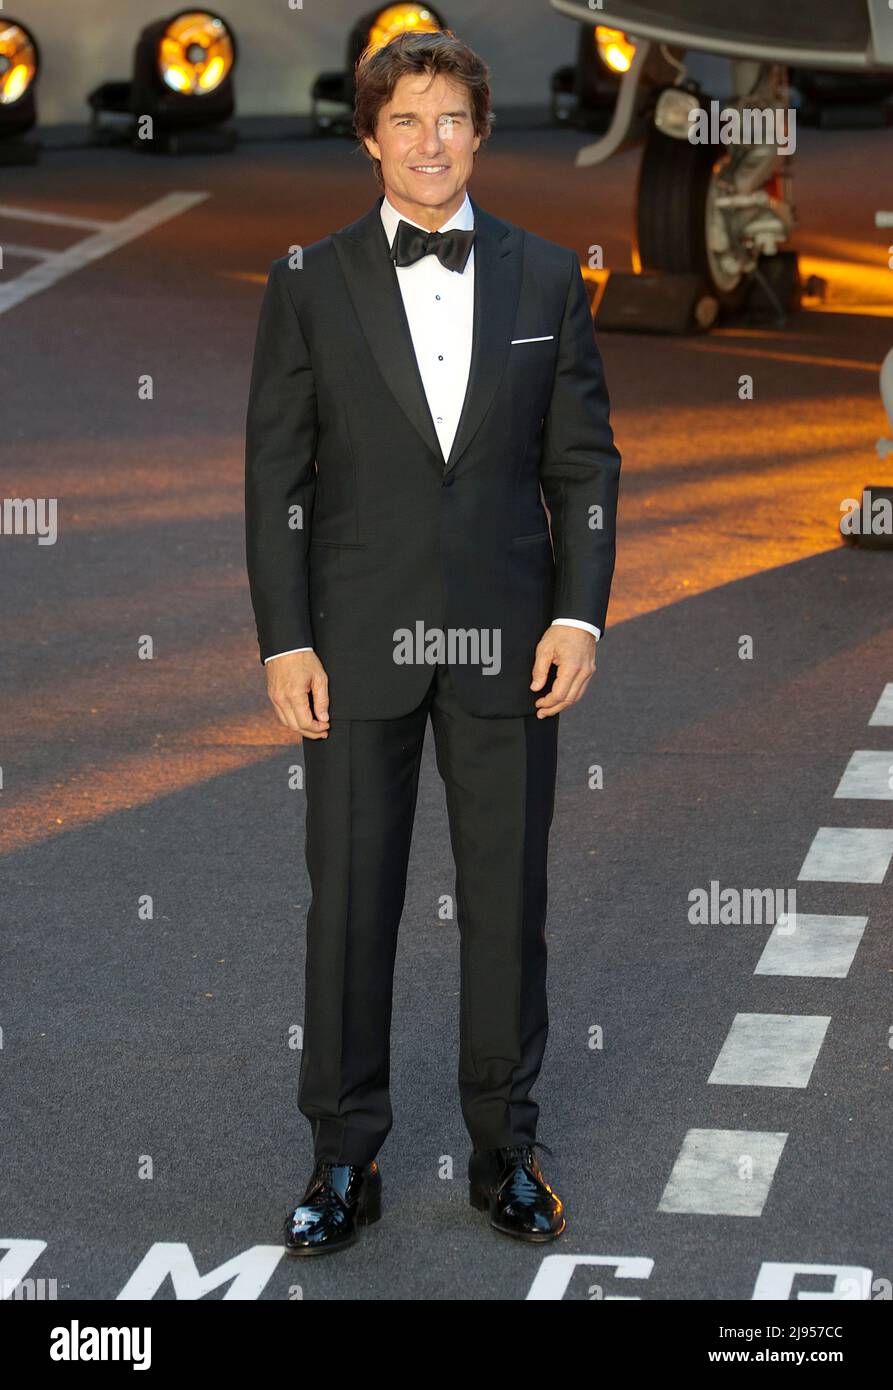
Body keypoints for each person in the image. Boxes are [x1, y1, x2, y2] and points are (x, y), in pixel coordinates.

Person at [244, 28, 621, 1256]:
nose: (428, 143)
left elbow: (581, 466)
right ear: (368, 136)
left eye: (450, 118)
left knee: (507, 908)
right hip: (354, 644)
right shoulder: (307, 279)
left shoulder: (548, 276)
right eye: (403, 120)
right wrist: (283, 639)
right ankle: (341, 1161)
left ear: (480, 135)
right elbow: (273, 480)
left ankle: (503, 1152)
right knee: (349, 906)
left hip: (509, 644)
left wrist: (576, 612)